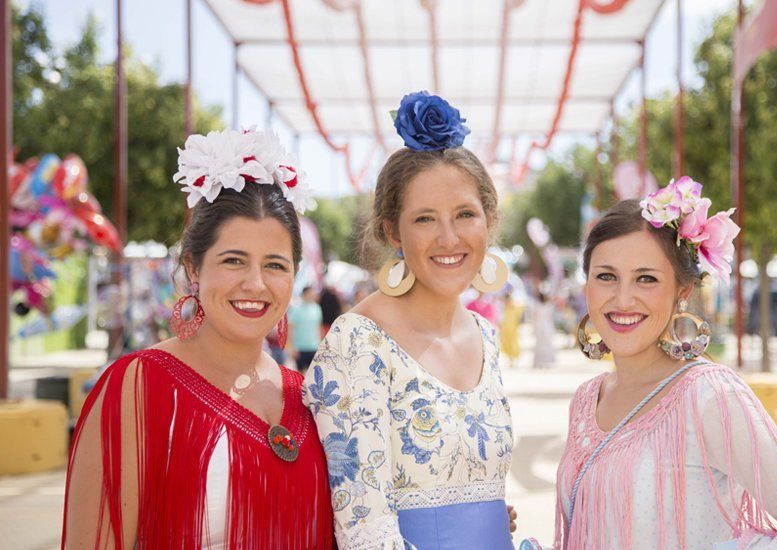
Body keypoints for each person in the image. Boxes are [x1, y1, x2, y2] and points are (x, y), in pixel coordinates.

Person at [541, 179, 777, 549]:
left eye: (646, 278)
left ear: (682, 291)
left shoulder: (709, 394)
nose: (623, 298)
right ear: (587, 286)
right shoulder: (586, 400)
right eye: (606, 276)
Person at [62, 128, 334, 548]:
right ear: (193, 268)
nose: (256, 283)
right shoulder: (137, 386)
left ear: (295, 275)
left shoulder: (309, 398)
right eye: (233, 260)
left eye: (276, 265)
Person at [304, 91, 516, 549]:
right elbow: (365, 532)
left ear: (489, 221)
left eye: (465, 214)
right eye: (424, 219)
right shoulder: (357, 343)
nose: (448, 237)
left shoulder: (486, 336)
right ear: (390, 230)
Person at [289, 285, 323, 372]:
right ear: (304, 295)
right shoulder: (296, 310)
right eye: (310, 293)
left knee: (312, 375)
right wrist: (292, 347)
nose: (312, 295)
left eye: (313, 293)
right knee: (300, 375)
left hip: (314, 347)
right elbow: (290, 329)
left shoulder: (317, 308)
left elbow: (318, 327)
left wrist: (321, 345)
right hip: (300, 348)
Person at [532, 289, 556, 369]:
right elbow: (550, 318)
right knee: (547, 344)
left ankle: (539, 361)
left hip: (539, 326)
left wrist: (534, 328)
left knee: (540, 344)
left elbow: (534, 318)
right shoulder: (549, 306)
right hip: (546, 326)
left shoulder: (536, 306)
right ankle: (547, 361)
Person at [500, 289, 523, 368]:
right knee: (507, 345)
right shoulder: (503, 309)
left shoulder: (514, 308)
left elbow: (522, 305)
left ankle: (513, 359)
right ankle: (510, 360)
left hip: (514, 329)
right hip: (506, 330)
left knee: (514, 344)